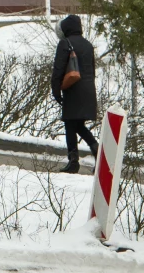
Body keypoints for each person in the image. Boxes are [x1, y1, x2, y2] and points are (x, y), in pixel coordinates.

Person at [50, 14, 98, 173]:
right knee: (76, 124)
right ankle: (95, 150)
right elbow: (92, 70)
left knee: (70, 122)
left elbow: (58, 69)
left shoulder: (65, 43)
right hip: (89, 90)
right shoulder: (88, 45)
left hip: (73, 89)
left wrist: (56, 90)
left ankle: (74, 161)